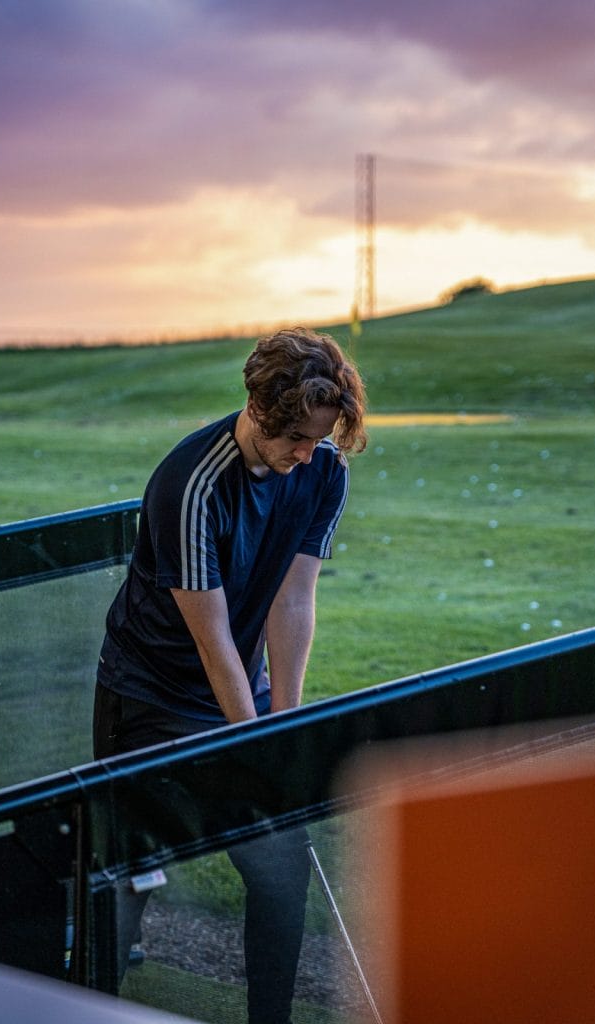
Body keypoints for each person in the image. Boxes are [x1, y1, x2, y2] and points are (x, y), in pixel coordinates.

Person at [92, 326, 367, 1024]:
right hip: (148, 699)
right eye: (298, 439)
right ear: (260, 412)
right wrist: (253, 749)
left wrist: (287, 729)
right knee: (133, 871)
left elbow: (294, 599)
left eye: (319, 437)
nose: (309, 453)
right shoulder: (190, 485)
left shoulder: (323, 470)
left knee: (280, 867)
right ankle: (85, 1004)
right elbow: (210, 638)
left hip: (239, 688)